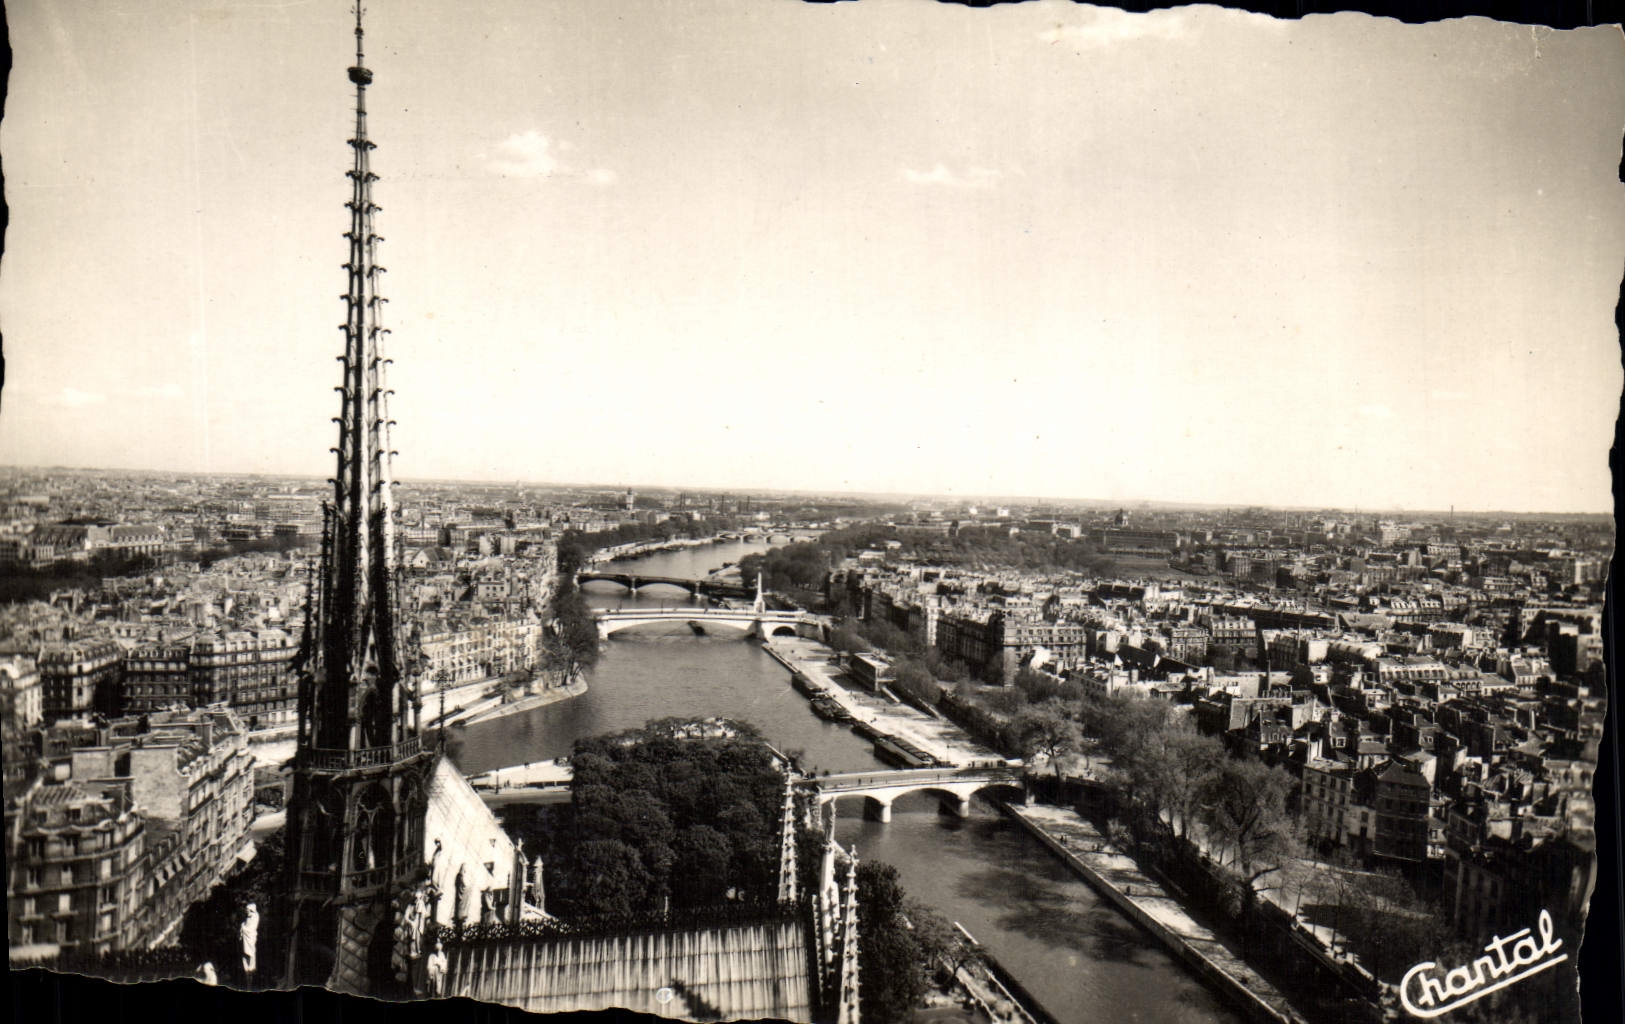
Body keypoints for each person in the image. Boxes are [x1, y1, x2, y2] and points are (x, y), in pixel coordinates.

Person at [240, 902, 259, 988]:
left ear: (251, 910)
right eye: (246, 910)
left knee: (250, 955)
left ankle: (250, 973)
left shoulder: (255, 916)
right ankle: (247, 972)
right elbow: (245, 926)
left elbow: (251, 929)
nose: (246, 911)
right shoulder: (248, 918)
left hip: (250, 939)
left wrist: (243, 927)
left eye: (248, 910)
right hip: (246, 940)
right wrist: (243, 926)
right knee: (245, 956)